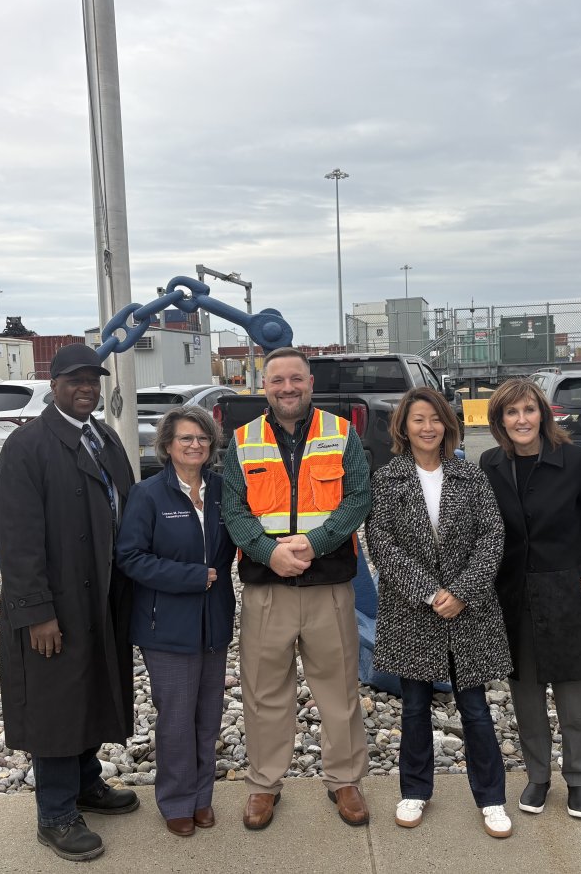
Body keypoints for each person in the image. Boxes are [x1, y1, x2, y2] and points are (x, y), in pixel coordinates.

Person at [0, 343, 138, 863]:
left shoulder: (102, 437)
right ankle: (54, 814)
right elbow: (17, 539)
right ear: (53, 385)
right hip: (56, 602)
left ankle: (86, 784)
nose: (86, 388)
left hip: (99, 594)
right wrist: (35, 612)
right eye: (75, 380)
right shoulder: (28, 446)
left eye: (92, 380)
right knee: (56, 702)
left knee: (92, 689)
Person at [221, 346, 372, 830]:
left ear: (310, 382)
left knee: (340, 688)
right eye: (277, 380)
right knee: (265, 693)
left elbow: (357, 499)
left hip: (329, 584)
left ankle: (344, 780)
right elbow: (235, 511)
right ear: (263, 386)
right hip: (268, 589)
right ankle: (264, 785)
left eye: (296, 379)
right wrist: (271, 553)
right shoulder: (242, 441)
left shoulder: (341, 433)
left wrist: (314, 542)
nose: (287, 388)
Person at [365, 387, 515, 839]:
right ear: (403, 428)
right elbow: (383, 546)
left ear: (447, 425)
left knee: (475, 708)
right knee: (413, 707)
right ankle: (414, 790)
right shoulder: (387, 480)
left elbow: (493, 534)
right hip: (413, 610)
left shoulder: (470, 476)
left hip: (468, 611)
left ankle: (491, 799)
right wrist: (431, 593)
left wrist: (463, 592)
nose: (427, 427)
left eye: (435, 419)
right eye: (418, 420)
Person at [480, 377, 581, 821]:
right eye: (511, 412)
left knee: (572, 702)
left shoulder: (575, 461)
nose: (521, 419)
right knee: (526, 700)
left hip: (567, 595)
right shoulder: (490, 464)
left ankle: (579, 781)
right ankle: (538, 777)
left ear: (542, 415)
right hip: (513, 598)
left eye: (528, 410)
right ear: (500, 421)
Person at [115, 405, 236, 837]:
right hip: (165, 625)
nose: (195, 445)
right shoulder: (149, 494)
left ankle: (203, 798)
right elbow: (129, 557)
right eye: (186, 438)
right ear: (168, 445)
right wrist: (190, 576)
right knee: (177, 718)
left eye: (202, 438)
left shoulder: (223, 490)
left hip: (214, 622)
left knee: (208, 717)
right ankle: (176, 800)